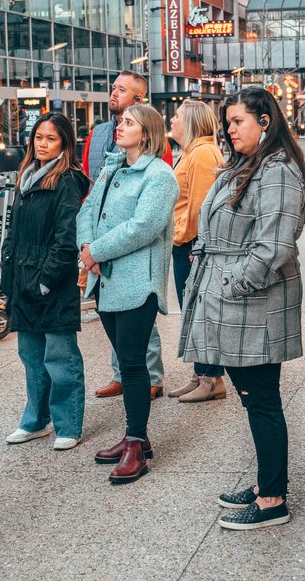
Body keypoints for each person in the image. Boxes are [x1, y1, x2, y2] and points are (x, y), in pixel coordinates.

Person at [178, 86, 305, 530]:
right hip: (233, 299)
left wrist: (231, 283)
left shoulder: (277, 171)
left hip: (254, 303)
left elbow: (274, 247)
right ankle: (265, 483)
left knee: (262, 399)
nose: (229, 130)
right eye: (227, 122)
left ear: (265, 121)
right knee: (254, 400)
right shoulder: (245, 165)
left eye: (237, 121)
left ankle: (273, 499)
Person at [77, 103, 179, 484]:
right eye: (121, 121)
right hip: (104, 280)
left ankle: (136, 443)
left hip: (138, 283)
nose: (119, 127)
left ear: (147, 131)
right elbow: (86, 211)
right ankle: (134, 435)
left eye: (129, 123)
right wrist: (88, 249)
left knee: (134, 364)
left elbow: (144, 226)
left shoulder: (159, 174)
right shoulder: (111, 167)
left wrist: (97, 251)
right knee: (124, 359)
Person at [1, 112, 90, 451]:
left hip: (51, 283)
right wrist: (8, 277)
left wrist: (45, 280)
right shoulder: (26, 178)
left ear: (64, 144)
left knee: (60, 358)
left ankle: (68, 424)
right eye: (39, 137)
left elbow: (66, 237)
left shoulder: (65, 179)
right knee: (31, 356)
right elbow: (13, 234)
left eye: (51, 138)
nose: (42, 143)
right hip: (23, 279)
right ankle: (36, 420)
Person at [84, 71, 172, 400]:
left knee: (138, 323)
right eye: (113, 87)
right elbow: (90, 191)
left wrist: (98, 250)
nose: (113, 93)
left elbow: (146, 217)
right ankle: (122, 374)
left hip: (127, 252)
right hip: (100, 243)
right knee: (113, 318)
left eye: (121, 89)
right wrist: (88, 246)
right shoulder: (99, 133)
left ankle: (148, 377)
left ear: (137, 98)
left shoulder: (153, 148)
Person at [167, 99, 227, 403]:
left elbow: (202, 206)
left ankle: (212, 378)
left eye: (177, 116)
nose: (172, 120)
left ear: (190, 121)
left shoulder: (202, 154)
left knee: (201, 312)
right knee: (193, 311)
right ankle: (201, 373)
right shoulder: (192, 152)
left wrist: (188, 239)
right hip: (186, 243)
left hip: (192, 245)